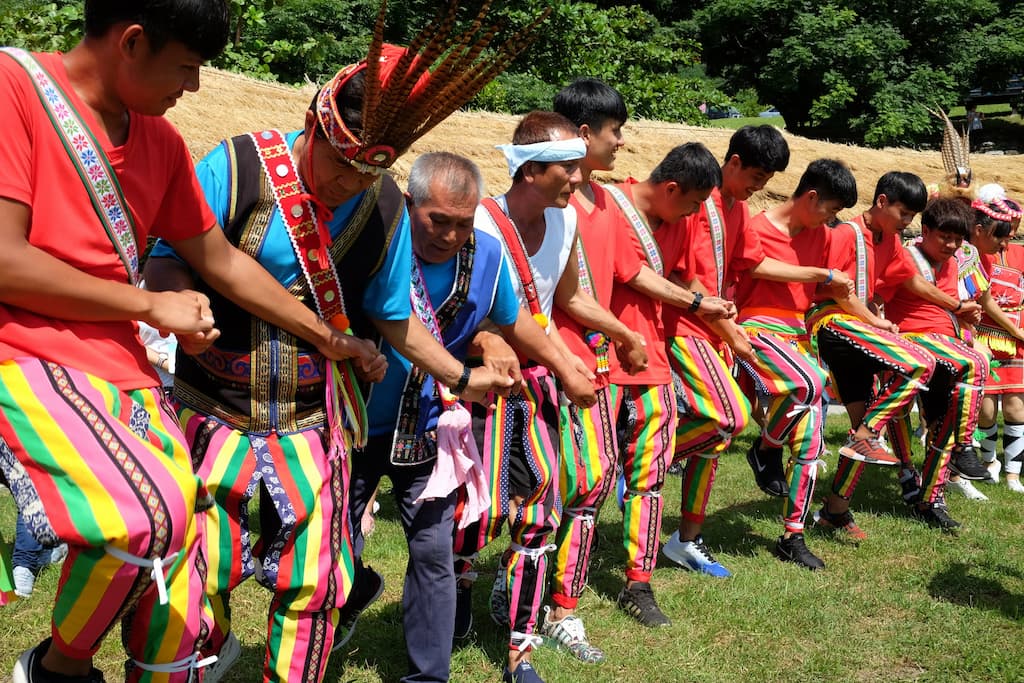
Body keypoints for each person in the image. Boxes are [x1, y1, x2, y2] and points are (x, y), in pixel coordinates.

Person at [145, 4, 544, 680]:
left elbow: (395, 317)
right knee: (199, 560)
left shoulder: (384, 205)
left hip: (311, 417)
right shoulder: (240, 165)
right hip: (209, 402)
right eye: (340, 165)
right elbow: (170, 253)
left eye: (367, 173)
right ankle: (198, 650)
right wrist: (175, 295)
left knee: (318, 579)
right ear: (313, 123)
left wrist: (456, 375)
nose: (348, 184)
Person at [0, 2, 242, 681]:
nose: (192, 87)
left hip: (123, 369)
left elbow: (219, 259)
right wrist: (150, 302)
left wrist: (325, 333)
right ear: (132, 41)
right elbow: (4, 259)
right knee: (147, 510)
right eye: (187, 67)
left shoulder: (160, 144)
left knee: (183, 538)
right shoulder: (13, 88)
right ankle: (61, 667)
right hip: (25, 351)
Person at [346, 151, 595, 683]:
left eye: (464, 223)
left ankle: (428, 677)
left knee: (433, 554)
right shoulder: (373, 245)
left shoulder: (487, 254)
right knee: (330, 548)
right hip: (355, 422)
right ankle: (347, 598)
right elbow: (392, 320)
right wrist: (469, 365)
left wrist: (561, 364)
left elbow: (512, 318)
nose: (451, 235)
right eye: (438, 221)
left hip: (428, 430)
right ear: (410, 204)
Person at [449, 110, 616, 683]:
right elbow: (445, 309)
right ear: (530, 170)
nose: (578, 178)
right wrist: (489, 339)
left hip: (538, 382)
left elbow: (564, 299)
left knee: (540, 510)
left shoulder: (565, 222)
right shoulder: (480, 225)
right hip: (480, 388)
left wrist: (615, 337)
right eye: (568, 169)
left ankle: (521, 650)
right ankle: (459, 595)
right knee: (475, 512)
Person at [541, 79, 653, 662]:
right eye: (615, 132)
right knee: (576, 484)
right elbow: (565, 295)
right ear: (584, 135)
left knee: (589, 482)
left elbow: (615, 281)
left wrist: (620, 337)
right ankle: (556, 605)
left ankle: (556, 599)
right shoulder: (545, 203)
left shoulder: (606, 202)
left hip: (596, 362)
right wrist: (622, 333)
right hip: (552, 361)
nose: (622, 143)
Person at [732, 158, 858, 570]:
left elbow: (833, 288)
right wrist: (821, 274)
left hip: (797, 335)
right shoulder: (756, 225)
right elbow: (757, 267)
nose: (832, 219)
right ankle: (767, 447)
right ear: (811, 196)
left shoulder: (821, 235)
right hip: (756, 327)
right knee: (813, 382)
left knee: (810, 440)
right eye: (831, 209)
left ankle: (793, 535)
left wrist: (876, 323)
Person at [810, 172, 937, 538]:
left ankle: (835, 510)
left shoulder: (891, 239)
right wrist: (875, 320)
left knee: (868, 424)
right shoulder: (845, 234)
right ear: (881, 202)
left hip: (859, 332)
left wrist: (881, 306)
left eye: (913, 215)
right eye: (904, 213)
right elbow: (834, 291)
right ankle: (866, 435)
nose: (907, 222)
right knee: (919, 362)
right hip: (834, 324)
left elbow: (903, 278)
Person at [880, 197, 990, 530]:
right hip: (909, 344)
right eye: (945, 237)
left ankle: (932, 498)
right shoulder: (906, 255)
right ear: (925, 231)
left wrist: (967, 320)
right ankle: (909, 471)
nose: (952, 245)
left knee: (945, 417)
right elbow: (884, 293)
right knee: (898, 413)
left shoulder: (956, 261)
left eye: (958, 239)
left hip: (946, 347)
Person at [957, 198, 1024, 497]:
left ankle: (1012, 473)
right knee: (981, 411)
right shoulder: (970, 252)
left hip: (1013, 338)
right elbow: (983, 299)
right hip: (979, 334)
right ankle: (985, 463)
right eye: (1003, 231)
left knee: (1015, 407)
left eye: (1012, 229)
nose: (1007, 237)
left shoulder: (1009, 253)